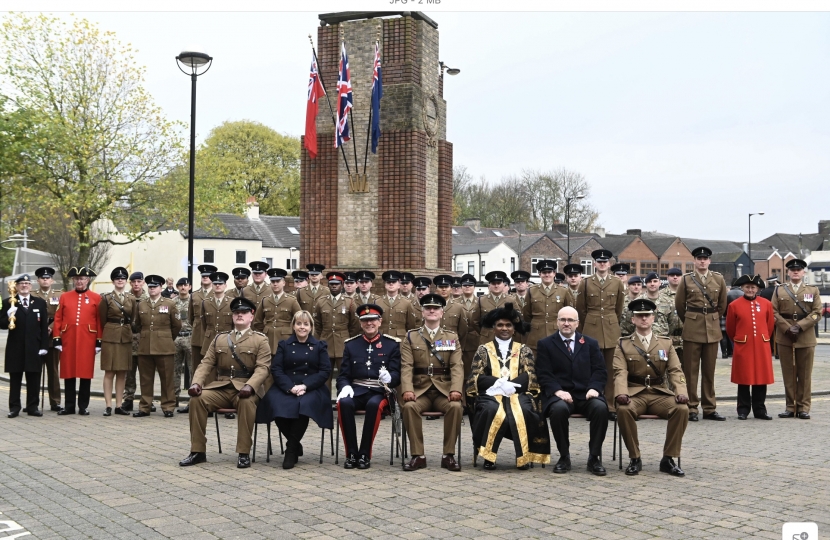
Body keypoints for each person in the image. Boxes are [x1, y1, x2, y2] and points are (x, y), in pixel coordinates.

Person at [180, 297, 272, 468]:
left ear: (251, 316)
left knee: (245, 402)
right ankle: (197, 451)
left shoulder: (260, 340)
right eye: (236, 312)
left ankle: (243, 453)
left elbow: (263, 368)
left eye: (244, 312)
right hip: (221, 387)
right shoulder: (220, 339)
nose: (239, 315)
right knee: (197, 400)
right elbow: (206, 363)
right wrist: (196, 383)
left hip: (246, 389)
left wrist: (250, 386)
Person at [466, 302, 550, 470]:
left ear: (514, 328)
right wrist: (498, 383)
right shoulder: (484, 349)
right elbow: (476, 376)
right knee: (490, 409)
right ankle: (488, 456)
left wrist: (512, 385)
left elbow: (531, 374)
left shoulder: (523, 349)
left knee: (525, 410)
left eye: (508, 325)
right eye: (500, 325)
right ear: (494, 328)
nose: (504, 328)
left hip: (518, 394)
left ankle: (524, 456)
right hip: (491, 394)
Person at [614, 299, 689, 477]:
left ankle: (668, 458)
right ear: (633, 320)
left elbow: (675, 370)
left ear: (653, 318)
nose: (643, 319)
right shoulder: (623, 344)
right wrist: (621, 393)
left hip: (658, 393)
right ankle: (635, 458)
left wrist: (681, 392)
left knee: (682, 409)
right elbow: (619, 372)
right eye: (639, 316)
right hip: (634, 393)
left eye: (647, 315)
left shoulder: (666, 343)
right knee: (623, 410)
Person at [536, 306, 608, 475]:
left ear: (577, 323)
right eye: (562, 320)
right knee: (558, 410)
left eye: (570, 320)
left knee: (600, 408)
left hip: (586, 394)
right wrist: (557, 391)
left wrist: (594, 388)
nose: (566, 323)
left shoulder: (590, 343)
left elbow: (600, 370)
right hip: (560, 395)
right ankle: (564, 456)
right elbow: (543, 373)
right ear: (557, 322)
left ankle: (594, 458)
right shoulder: (545, 344)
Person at [257, 310, 333, 469]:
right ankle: (296, 444)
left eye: (306, 324)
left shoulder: (319, 346)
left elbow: (325, 371)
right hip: (287, 385)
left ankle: (290, 450)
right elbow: (277, 369)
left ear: (311, 327)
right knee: (274, 404)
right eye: (299, 323)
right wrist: (290, 387)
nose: (302, 327)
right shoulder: (284, 345)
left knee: (303, 406)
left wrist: (305, 385)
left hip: (312, 387)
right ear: (293, 326)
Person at [400, 294, 464, 472]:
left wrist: (456, 389)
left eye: (435, 308)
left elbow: (457, 366)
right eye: (428, 308)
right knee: (409, 407)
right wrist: (407, 389)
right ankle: (418, 455)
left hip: (444, 390)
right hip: (420, 390)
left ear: (442, 313)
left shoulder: (451, 337)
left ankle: (448, 455)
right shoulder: (412, 337)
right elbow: (406, 366)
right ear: (422, 312)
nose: (432, 311)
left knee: (456, 407)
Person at [336, 304, 401, 470]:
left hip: (380, 391)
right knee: (344, 403)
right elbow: (343, 375)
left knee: (373, 405)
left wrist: (390, 378)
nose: (369, 323)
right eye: (365, 320)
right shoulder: (351, 345)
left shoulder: (391, 344)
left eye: (372, 320)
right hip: (356, 389)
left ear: (380, 321)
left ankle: (364, 453)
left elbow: (397, 374)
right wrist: (344, 387)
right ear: (360, 323)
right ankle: (351, 453)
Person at [674, 246, 728, 422]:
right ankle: (691, 407)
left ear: (709, 261)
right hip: (692, 328)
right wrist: (692, 319)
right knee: (690, 371)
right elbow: (680, 305)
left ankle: (709, 408)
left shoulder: (718, 279)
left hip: (712, 330)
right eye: (699, 258)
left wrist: (711, 318)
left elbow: (722, 305)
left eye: (705, 258)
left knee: (709, 371)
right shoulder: (686, 279)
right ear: (694, 261)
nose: (702, 261)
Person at [575, 249, 625, 418]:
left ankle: (610, 406)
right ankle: (591, 405)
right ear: (595, 264)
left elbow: (618, 308)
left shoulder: (617, 283)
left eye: (605, 262)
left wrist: (611, 321)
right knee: (591, 369)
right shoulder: (586, 283)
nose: (602, 264)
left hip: (611, 329)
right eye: (599, 262)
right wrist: (586, 326)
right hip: (591, 328)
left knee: (610, 369)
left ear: (609, 264)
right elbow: (581, 309)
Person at [772, 259, 822, 419]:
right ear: (787, 272)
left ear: (803, 272)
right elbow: (773, 312)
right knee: (788, 373)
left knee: (805, 374)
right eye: (792, 269)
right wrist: (787, 328)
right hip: (785, 336)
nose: (795, 271)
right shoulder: (779, 290)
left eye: (799, 269)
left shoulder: (812, 290)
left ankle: (803, 408)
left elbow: (817, 312)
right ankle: (790, 406)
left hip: (805, 335)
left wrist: (800, 326)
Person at [52, 267, 102, 415]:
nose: (79, 281)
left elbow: (99, 320)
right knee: (69, 372)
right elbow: (58, 318)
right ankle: (69, 406)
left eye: (82, 279)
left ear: (87, 280)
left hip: (88, 339)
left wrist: (99, 340)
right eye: (77, 279)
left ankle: (83, 406)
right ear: (73, 280)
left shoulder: (96, 297)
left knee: (85, 373)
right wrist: (57, 338)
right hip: (68, 338)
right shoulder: (65, 296)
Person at [726, 275, 774, 420]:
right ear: (742, 288)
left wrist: (763, 337)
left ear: (757, 289)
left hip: (761, 345)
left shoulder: (766, 304)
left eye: (753, 287)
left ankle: (760, 410)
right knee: (744, 378)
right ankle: (743, 409)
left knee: (761, 377)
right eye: (747, 287)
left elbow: (770, 325)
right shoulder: (734, 305)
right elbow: (730, 328)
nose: (750, 290)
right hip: (743, 346)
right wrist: (740, 339)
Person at [132, 274, 181, 417]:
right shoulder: (141, 304)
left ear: (161, 288)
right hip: (145, 346)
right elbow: (138, 325)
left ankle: (168, 406)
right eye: (150, 286)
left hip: (164, 346)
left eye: (155, 286)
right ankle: (145, 406)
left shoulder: (170, 304)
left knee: (167, 378)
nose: (152, 289)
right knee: (145, 378)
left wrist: (166, 337)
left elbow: (176, 325)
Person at [1, 274, 49, 417]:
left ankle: (32, 406)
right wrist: (8, 315)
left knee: (33, 377)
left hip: (34, 346)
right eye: (21, 283)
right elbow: (1, 324)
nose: (24, 285)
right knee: (15, 378)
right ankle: (14, 407)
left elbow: (43, 327)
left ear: (31, 286)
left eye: (27, 283)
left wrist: (44, 346)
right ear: (16, 286)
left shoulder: (39, 303)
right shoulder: (9, 302)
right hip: (15, 347)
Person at [98, 267, 137, 416]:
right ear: (113, 281)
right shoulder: (106, 298)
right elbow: (102, 319)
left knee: (122, 372)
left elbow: (132, 317)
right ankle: (108, 405)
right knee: (109, 371)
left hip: (125, 337)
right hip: (110, 335)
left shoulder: (131, 298)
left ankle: (119, 405)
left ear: (126, 281)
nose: (120, 280)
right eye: (117, 278)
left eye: (122, 278)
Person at [313, 271, 360, 389]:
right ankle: (325, 406)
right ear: (328, 285)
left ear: (342, 284)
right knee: (324, 377)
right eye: (331, 283)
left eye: (337, 284)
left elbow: (355, 324)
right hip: (325, 343)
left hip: (343, 344)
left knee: (344, 376)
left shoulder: (349, 302)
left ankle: (343, 404)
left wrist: (348, 339)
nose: (334, 286)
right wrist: (319, 342)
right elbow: (317, 324)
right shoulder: (321, 301)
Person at [522, 260, 573, 353]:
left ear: (554, 274)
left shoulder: (563, 291)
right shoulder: (531, 291)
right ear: (539, 274)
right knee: (536, 364)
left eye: (549, 272)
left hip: (557, 332)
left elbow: (569, 312)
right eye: (544, 272)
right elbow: (526, 314)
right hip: (536, 334)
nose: (547, 275)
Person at [31, 266, 63, 412]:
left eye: (47, 278)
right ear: (38, 280)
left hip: (52, 336)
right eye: (42, 278)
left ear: (52, 280)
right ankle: (33, 402)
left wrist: (51, 327)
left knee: (53, 370)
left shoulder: (60, 295)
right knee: (34, 371)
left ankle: (55, 401)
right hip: (36, 337)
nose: (45, 280)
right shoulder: (32, 294)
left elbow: (62, 315)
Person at [186, 264, 216, 412]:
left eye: (208, 275)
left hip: (213, 336)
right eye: (203, 275)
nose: (205, 277)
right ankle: (195, 400)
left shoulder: (218, 294)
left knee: (213, 370)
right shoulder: (195, 295)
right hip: (198, 336)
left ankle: (212, 401)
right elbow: (191, 318)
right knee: (196, 368)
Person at [253, 268, 301, 353]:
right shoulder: (265, 300)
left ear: (283, 283)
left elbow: (299, 320)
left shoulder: (291, 300)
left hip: (286, 340)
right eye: (273, 282)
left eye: (278, 281)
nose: (275, 284)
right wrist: (266, 331)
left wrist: (293, 336)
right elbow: (257, 321)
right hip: (268, 340)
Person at [122, 271, 149, 412]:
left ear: (143, 282)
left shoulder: (150, 298)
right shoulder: (125, 298)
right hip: (129, 339)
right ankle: (128, 398)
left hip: (145, 340)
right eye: (134, 282)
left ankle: (146, 400)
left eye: (139, 281)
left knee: (146, 373)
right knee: (129, 373)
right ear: (130, 283)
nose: (136, 284)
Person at [478, 271, 519, 345]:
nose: (496, 286)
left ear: (503, 285)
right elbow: (475, 321)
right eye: (493, 283)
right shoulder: (481, 300)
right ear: (489, 285)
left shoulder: (511, 300)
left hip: (506, 338)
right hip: (487, 339)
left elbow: (518, 319)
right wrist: (485, 331)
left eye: (499, 283)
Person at [376, 271, 420, 340]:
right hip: (381, 339)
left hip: (400, 340)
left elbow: (411, 326)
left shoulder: (407, 303)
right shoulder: (377, 302)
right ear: (385, 285)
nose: (391, 284)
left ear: (399, 285)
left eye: (394, 282)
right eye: (388, 282)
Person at [173, 278, 192, 412]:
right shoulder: (172, 302)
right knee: (174, 370)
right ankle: (173, 400)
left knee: (193, 370)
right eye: (180, 285)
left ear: (190, 287)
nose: (183, 287)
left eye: (185, 285)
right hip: (176, 337)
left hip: (190, 337)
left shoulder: (195, 301)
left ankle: (192, 401)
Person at [659, 267, 685, 365]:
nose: (675, 277)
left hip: (684, 339)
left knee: (686, 370)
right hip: (667, 339)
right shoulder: (660, 295)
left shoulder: (688, 294)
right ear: (667, 277)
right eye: (672, 275)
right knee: (664, 368)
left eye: (677, 275)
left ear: (681, 277)